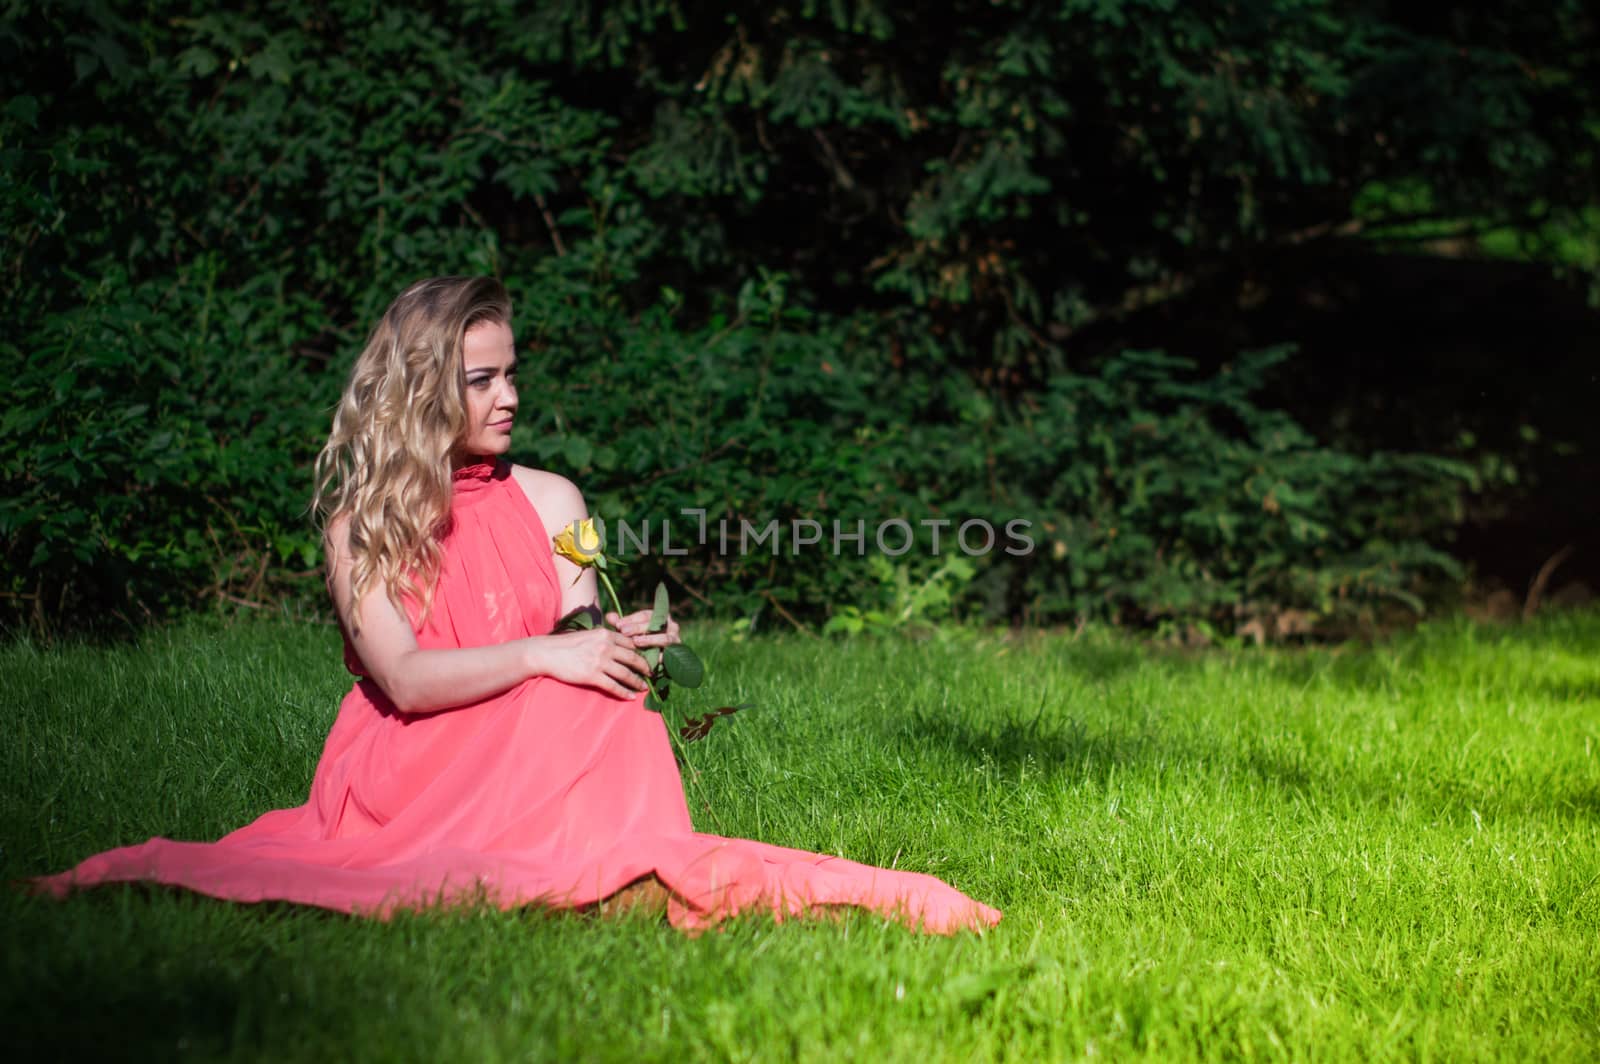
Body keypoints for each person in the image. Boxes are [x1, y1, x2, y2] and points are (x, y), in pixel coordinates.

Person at [36, 276, 1002, 934]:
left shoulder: (552, 500)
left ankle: (615, 869)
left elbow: (575, 641)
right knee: (562, 687)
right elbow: (407, 682)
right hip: (413, 761)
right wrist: (551, 656)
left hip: (528, 734)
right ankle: (591, 877)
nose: (509, 397)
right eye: (481, 379)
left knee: (605, 698)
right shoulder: (362, 522)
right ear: (421, 391)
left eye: (512, 373)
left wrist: (621, 643)